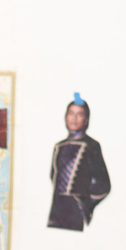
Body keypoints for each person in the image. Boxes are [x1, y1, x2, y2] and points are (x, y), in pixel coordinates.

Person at [47, 97, 110, 231]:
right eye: (71, 113)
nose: (74, 118)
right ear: (65, 117)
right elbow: (53, 175)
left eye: (79, 114)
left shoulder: (91, 145)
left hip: (76, 209)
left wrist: (84, 204)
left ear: (86, 120)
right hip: (57, 207)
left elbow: (103, 184)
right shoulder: (59, 146)